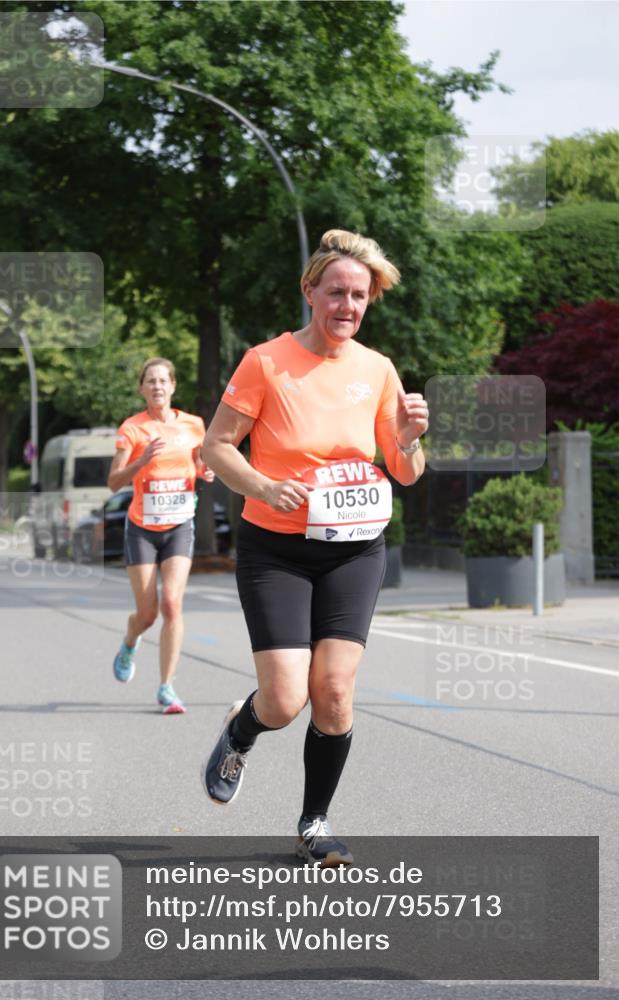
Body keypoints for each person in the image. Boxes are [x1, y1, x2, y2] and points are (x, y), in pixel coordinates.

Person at [200, 230, 429, 864]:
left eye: (359, 296)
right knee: (283, 699)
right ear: (310, 292)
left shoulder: (377, 369)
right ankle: (239, 733)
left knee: (332, 692)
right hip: (276, 548)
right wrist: (264, 486)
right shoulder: (266, 362)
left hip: (355, 549)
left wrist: (408, 439)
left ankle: (315, 822)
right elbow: (216, 447)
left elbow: (405, 470)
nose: (347, 306)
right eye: (336, 293)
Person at [108, 357, 214, 713]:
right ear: (142, 388)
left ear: (172, 386)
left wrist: (206, 471)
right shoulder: (132, 429)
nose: (157, 386)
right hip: (141, 529)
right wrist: (140, 461)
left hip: (179, 525)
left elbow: (200, 464)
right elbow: (113, 482)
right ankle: (130, 640)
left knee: (172, 603)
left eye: (162, 380)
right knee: (148, 613)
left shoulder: (193, 425)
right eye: (150, 381)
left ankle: (167, 687)